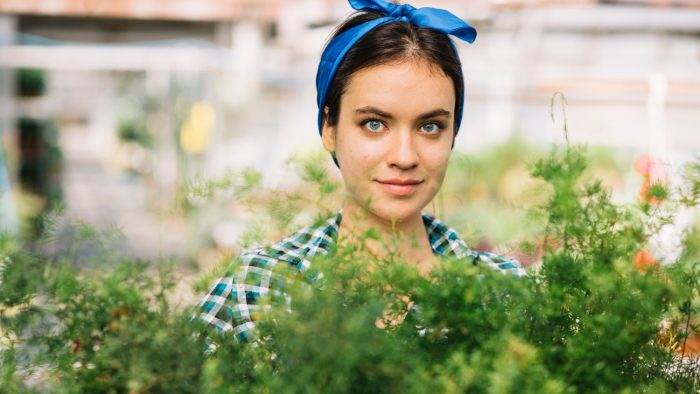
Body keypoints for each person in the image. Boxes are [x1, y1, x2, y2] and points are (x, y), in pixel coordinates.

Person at [196, 0, 526, 343]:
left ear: (452, 134)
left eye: (429, 126)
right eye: (374, 123)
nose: (404, 156)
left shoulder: (505, 294)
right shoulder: (257, 285)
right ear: (329, 127)